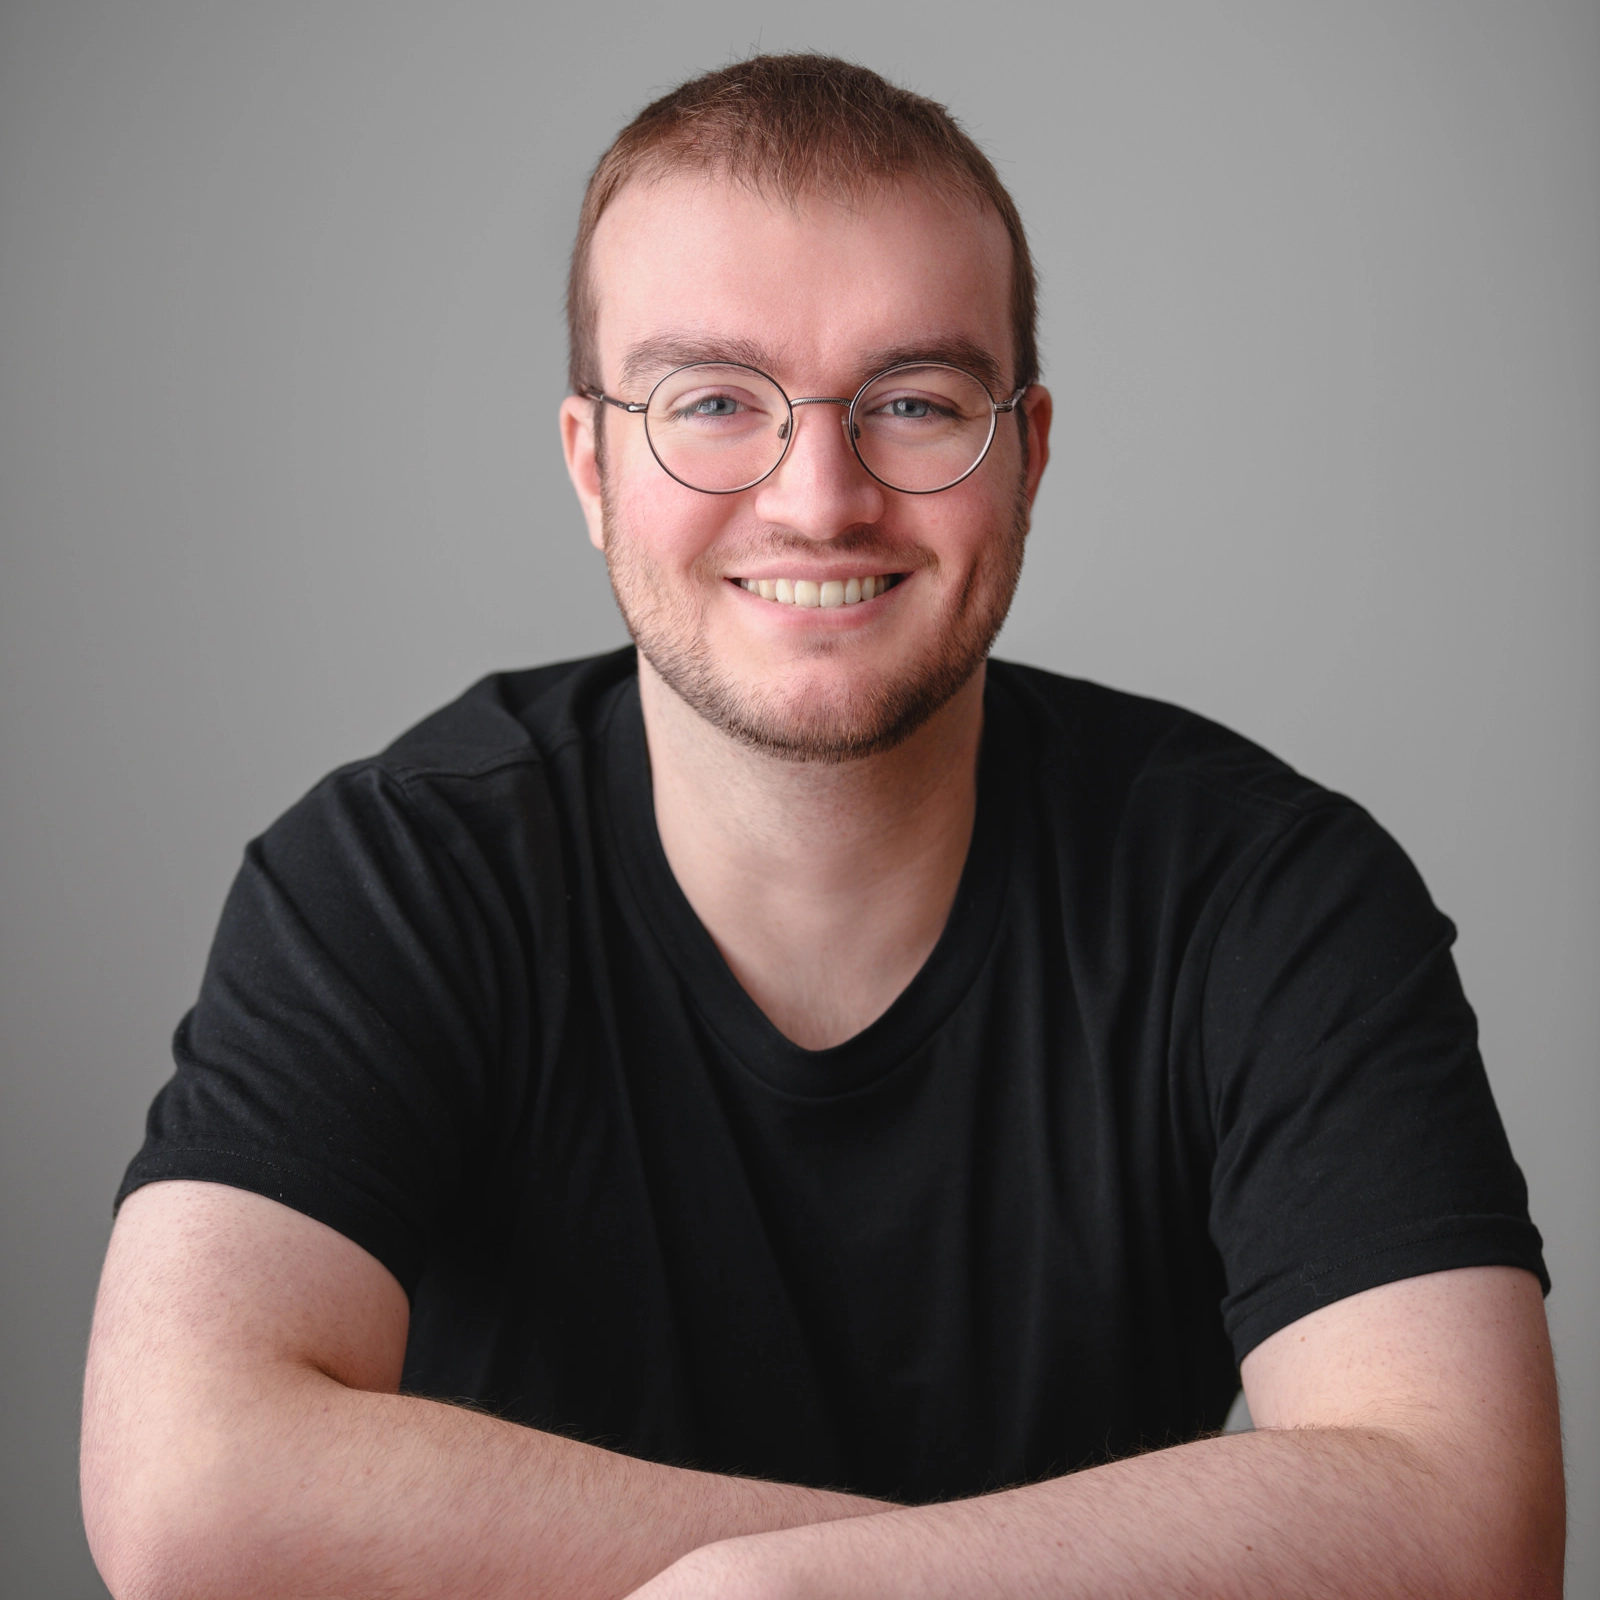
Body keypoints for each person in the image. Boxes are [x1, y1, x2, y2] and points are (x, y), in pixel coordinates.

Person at [80, 54, 1563, 1600]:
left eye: (914, 404)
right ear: (591, 465)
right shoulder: (391, 878)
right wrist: (873, 1576)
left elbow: (1470, 1522)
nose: (821, 496)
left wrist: (781, 1590)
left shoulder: (1270, 896)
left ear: (1030, 454)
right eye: (712, 402)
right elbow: (185, 1489)